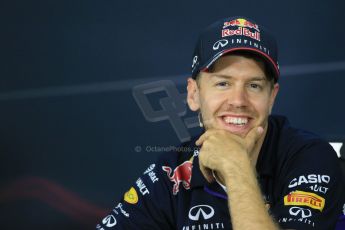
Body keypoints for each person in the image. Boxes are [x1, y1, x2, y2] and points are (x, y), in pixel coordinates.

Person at [96, 16, 345, 229]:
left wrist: (235, 166)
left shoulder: (309, 157)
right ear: (193, 94)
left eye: (254, 85)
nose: (238, 101)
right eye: (223, 83)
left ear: (272, 98)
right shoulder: (171, 172)